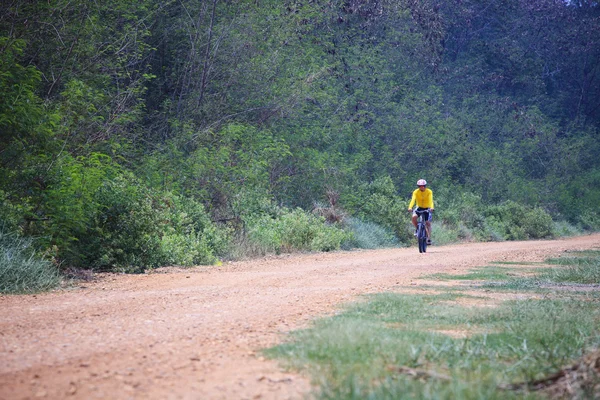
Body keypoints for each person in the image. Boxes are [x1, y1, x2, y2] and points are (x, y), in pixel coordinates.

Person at [407, 179, 434, 245]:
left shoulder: (429, 191)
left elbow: (431, 200)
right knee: (414, 217)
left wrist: (432, 207)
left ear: (425, 186)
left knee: (427, 223)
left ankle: (428, 239)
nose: (421, 187)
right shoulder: (416, 192)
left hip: (427, 208)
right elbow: (413, 200)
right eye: (419, 186)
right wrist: (410, 207)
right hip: (419, 207)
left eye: (423, 186)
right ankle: (418, 229)